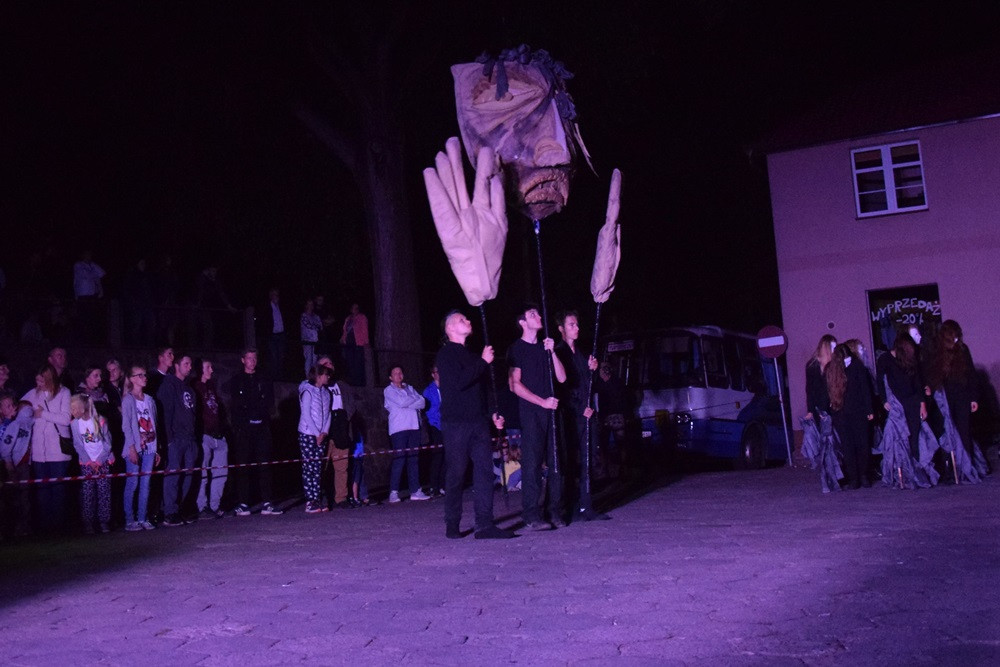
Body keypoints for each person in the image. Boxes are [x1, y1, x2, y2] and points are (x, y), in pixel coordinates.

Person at [436, 310, 514, 539]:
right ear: (450, 328)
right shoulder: (446, 355)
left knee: (484, 471)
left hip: (478, 422)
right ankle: (452, 523)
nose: (467, 321)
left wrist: (492, 414)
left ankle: (484, 524)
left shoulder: (472, 355)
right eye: (461, 320)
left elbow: (482, 389)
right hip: (456, 423)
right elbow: (458, 383)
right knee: (457, 473)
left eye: (467, 318)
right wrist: (482, 362)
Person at [507, 305, 566, 530]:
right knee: (532, 465)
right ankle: (532, 515)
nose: (539, 317)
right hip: (532, 413)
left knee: (556, 463)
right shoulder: (516, 349)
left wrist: (553, 353)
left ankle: (555, 511)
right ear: (522, 322)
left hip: (552, 412)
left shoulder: (546, 347)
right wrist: (541, 401)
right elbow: (514, 384)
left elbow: (561, 378)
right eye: (532, 315)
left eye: (538, 314)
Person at [555, 310, 609, 522]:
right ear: (562, 329)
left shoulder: (582, 354)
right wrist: (579, 408)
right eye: (571, 325)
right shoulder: (559, 353)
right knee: (570, 460)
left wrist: (592, 371)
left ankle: (587, 504)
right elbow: (563, 387)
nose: (576, 328)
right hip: (570, 414)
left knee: (588, 457)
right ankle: (569, 504)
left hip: (585, 414)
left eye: (577, 324)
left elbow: (589, 385)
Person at [927, 319, 988, 477]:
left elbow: (971, 374)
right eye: (953, 336)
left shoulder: (962, 350)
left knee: (964, 431)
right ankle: (950, 469)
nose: (956, 339)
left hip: (962, 396)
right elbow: (931, 374)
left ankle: (967, 468)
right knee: (947, 432)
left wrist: (973, 398)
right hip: (945, 398)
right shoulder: (937, 352)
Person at [229, 348, 283, 516]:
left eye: (255, 358)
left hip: (262, 428)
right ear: (243, 360)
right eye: (249, 358)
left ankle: (267, 502)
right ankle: (243, 503)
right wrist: (243, 422)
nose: (252, 361)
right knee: (243, 465)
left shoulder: (264, 379)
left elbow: (268, 402)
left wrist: (261, 417)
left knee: (265, 464)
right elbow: (236, 405)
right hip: (244, 430)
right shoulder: (237, 380)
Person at [22, 364, 72, 533]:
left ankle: (58, 528)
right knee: (42, 492)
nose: (39, 383)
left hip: (57, 451)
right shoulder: (32, 393)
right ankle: (45, 529)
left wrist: (43, 414)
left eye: (42, 380)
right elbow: (20, 408)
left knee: (58, 491)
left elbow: (66, 419)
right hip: (38, 453)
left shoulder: (64, 393)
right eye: (37, 380)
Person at [826, 343, 874, 489]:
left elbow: (827, 391)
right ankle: (861, 476)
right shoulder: (857, 367)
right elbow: (865, 390)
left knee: (851, 446)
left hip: (842, 413)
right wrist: (869, 410)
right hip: (852, 412)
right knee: (859, 445)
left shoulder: (833, 369)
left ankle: (857, 478)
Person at [157, 354, 198, 526]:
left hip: (190, 439)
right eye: (186, 364)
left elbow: (193, 415)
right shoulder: (168, 385)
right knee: (173, 476)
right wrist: (168, 439)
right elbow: (165, 413)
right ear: (177, 365)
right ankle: (169, 512)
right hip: (175, 438)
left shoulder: (189, 389)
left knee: (188, 475)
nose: (189, 367)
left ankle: (179, 509)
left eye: (190, 364)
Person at [384, 364, 430, 503]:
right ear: (391, 377)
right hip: (399, 429)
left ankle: (415, 490)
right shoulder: (388, 390)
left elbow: (422, 402)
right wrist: (413, 399)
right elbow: (402, 402)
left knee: (413, 459)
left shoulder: (409, 387)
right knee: (399, 459)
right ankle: (393, 492)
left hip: (414, 427)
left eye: (400, 372)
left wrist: (412, 400)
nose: (399, 374)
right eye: (395, 372)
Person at [121, 365, 160, 531]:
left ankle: (142, 517)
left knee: (146, 483)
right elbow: (127, 426)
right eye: (140, 375)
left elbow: (154, 424)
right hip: (135, 447)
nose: (144, 377)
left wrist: (157, 448)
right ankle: (130, 520)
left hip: (150, 446)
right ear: (132, 379)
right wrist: (131, 447)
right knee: (133, 482)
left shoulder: (150, 400)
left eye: (145, 374)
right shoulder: (128, 400)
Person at [70, 393, 114, 534]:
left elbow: (108, 444)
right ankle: (88, 522)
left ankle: (104, 522)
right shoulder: (75, 424)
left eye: (75, 408)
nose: (72, 412)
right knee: (88, 493)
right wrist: (89, 462)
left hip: (102, 462)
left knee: (104, 493)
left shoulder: (100, 421)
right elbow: (78, 445)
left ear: (83, 408)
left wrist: (99, 461)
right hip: (87, 464)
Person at [194, 359, 228, 519]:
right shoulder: (195, 387)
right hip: (205, 435)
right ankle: (202, 506)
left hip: (218, 435)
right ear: (200, 369)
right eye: (208, 367)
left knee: (221, 472)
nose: (211, 370)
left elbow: (218, 409)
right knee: (203, 473)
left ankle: (215, 506)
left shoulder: (211, 386)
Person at [317, 356, 353, 509]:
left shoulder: (342, 385)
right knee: (320, 466)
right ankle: (321, 498)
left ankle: (341, 498)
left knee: (341, 465)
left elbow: (351, 404)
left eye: (331, 363)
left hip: (340, 426)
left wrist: (345, 419)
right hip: (323, 427)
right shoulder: (316, 385)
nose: (329, 366)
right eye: (325, 364)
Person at [298, 364, 331, 514]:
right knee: (309, 467)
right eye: (325, 374)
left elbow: (328, 413)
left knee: (318, 467)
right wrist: (316, 433)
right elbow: (306, 415)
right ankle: (310, 500)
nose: (328, 377)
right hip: (307, 433)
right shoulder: (307, 391)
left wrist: (324, 432)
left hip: (320, 435)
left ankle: (317, 498)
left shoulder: (326, 393)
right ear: (318, 376)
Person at [0, 394, 33, 537]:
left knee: (22, 497)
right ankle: (6, 529)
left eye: (13, 405)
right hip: (6, 466)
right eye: (7, 406)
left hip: (20, 464)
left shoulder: (21, 423)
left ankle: (22, 527)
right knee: (8, 499)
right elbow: (5, 447)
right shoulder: (8, 425)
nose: (12, 408)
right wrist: (9, 466)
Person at [422, 366, 445, 497]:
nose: (440, 374)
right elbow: (429, 410)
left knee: (448, 456)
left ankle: (443, 485)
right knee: (437, 456)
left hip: (447, 426)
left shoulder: (446, 387)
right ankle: (433, 486)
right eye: (437, 372)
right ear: (432, 374)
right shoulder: (428, 391)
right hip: (435, 425)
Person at [804, 335, 836, 425]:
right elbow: (809, 389)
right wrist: (810, 410)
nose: (835, 350)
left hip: (833, 407)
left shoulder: (834, 364)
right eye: (832, 347)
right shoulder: (812, 365)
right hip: (819, 407)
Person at [340, 303, 368, 387]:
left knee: (358, 362)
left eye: (357, 308)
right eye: (353, 308)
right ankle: (351, 381)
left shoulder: (362, 317)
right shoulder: (348, 319)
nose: (355, 309)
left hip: (358, 342)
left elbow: (365, 329)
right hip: (349, 342)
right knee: (350, 361)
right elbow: (345, 330)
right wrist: (343, 339)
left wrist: (366, 341)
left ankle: (359, 382)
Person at [261, 288, 287, 375]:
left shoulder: (280, 306)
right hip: (272, 335)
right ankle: (273, 375)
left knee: (281, 355)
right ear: (271, 296)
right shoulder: (267, 307)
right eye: (274, 295)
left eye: (277, 295)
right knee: (273, 355)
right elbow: (266, 321)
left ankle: (280, 374)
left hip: (281, 334)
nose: (276, 297)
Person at [300, 298, 322, 378]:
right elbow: (308, 325)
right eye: (309, 304)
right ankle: (307, 378)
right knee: (308, 359)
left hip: (315, 341)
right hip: (307, 341)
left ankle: (314, 378)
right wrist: (316, 327)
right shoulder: (303, 316)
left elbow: (320, 326)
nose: (310, 306)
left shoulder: (316, 316)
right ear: (306, 305)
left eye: (312, 304)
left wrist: (317, 327)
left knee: (315, 360)